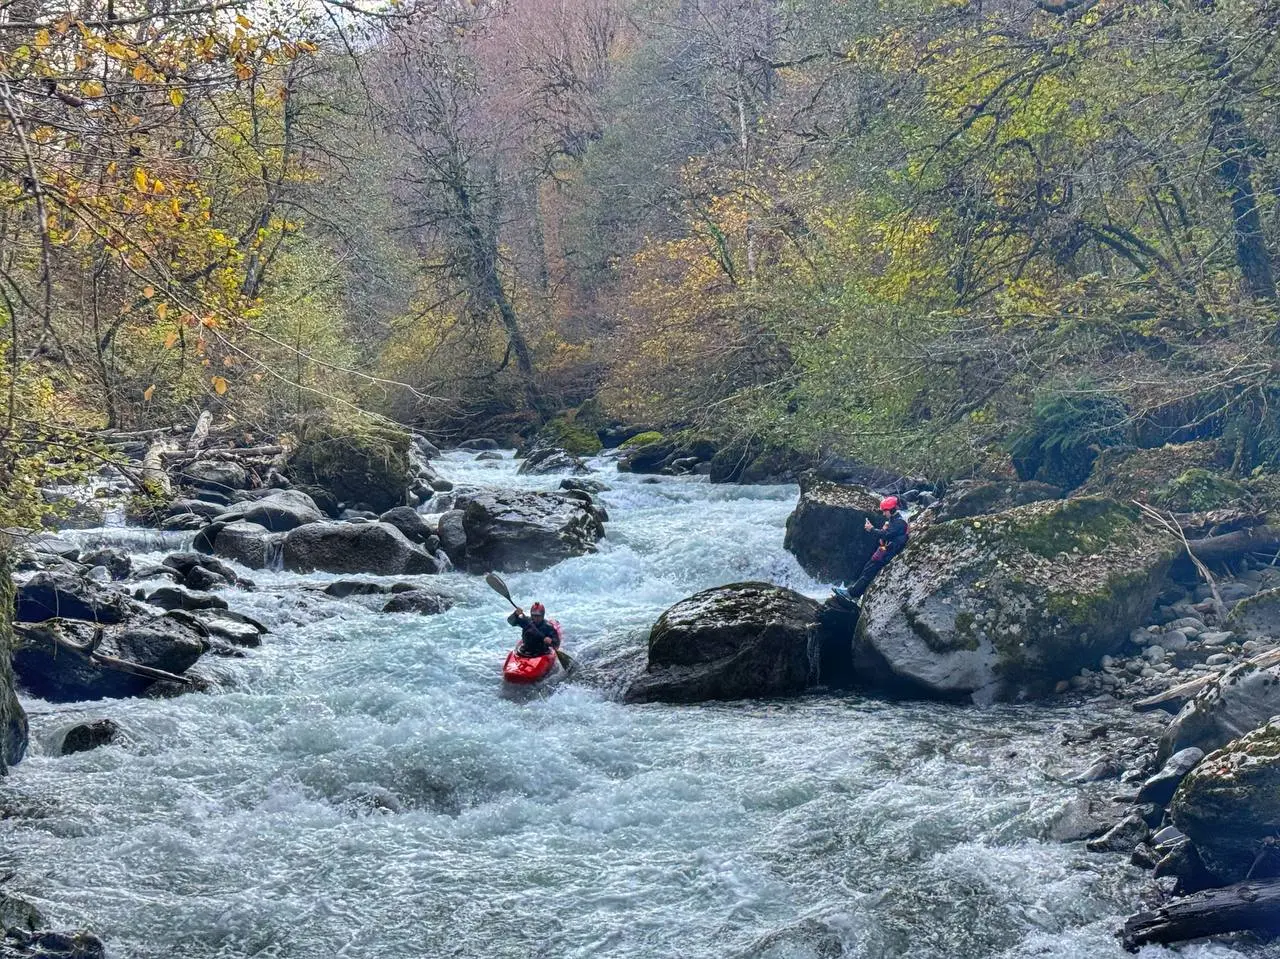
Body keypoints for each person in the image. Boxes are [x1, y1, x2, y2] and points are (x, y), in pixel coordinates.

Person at [835, 496, 909, 603]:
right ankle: (855, 593)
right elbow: (886, 535)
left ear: (892, 509)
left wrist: (872, 529)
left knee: (869, 572)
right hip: (886, 550)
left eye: (885, 511)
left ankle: (852, 594)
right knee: (867, 568)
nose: (884, 514)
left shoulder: (900, 523)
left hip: (889, 552)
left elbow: (887, 535)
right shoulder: (894, 520)